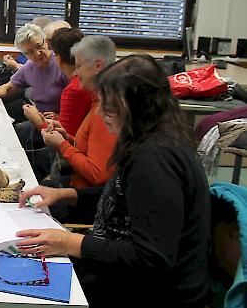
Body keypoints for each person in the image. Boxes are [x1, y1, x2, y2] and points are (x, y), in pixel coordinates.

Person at [16, 54, 211, 308]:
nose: (99, 112)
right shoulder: (156, 138)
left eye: (108, 106)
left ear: (137, 106)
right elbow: (127, 199)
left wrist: (72, 242)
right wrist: (68, 195)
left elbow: (153, 259)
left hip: (151, 293)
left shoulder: (154, 160)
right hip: (123, 275)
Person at [39, 35, 118, 188]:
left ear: (97, 66)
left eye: (79, 66)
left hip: (83, 198)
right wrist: (67, 137)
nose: (75, 73)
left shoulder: (105, 111)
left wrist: (62, 145)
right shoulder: (97, 100)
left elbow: (97, 174)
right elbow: (90, 148)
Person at [16, 28, 93, 180]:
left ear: (59, 58)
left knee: (33, 159)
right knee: (22, 131)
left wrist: (37, 119)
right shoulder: (87, 78)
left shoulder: (74, 89)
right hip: (79, 141)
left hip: (80, 154)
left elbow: (62, 141)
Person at [0, 23, 69, 123]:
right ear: (24, 54)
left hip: (62, 122)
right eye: (29, 52)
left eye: (39, 46)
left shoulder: (61, 64)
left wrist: (60, 116)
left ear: (46, 42)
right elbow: (8, 88)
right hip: (40, 119)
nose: (37, 54)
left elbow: (80, 100)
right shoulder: (30, 66)